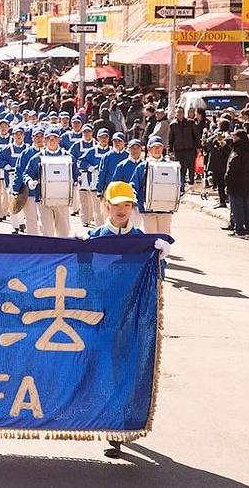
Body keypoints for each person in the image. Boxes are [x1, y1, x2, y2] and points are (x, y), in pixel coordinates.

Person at [86, 180, 169, 459]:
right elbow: (83, 276)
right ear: (105, 205)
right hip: (103, 315)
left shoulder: (142, 240)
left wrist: (159, 258)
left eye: (127, 205)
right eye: (116, 204)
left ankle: (118, 427)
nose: (122, 210)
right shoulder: (96, 236)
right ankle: (108, 418)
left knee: (127, 370)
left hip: (133, 318)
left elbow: (158, 278)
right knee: (106, 368)